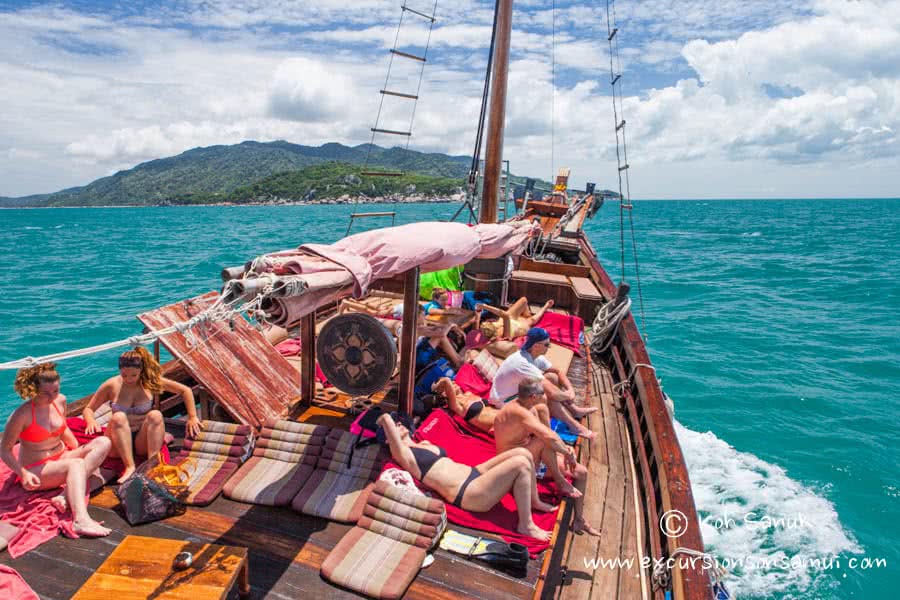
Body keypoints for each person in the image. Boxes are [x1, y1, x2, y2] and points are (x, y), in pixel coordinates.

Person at [377, 412, 556, 540]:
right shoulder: (404, 454)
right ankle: (526, 525)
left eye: (398, 422)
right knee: (521, 464)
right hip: (468, 492)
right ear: (388, 439)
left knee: (522, 453)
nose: (398, 424)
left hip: (474, 472)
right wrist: (385, 418)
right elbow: (392, 436)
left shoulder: (423, 442)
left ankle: (534, 500)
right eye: (394, 425)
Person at [1, 364, 112, 537]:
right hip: (36, 469)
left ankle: (64, 494)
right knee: (76, 464)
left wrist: (75, 445)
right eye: (46, 393)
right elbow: (5, 450)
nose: (52, 397)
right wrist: (23, 474)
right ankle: (80, 520)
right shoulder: (21, 415)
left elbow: (62, 427)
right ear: (32, 390)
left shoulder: (60, 400)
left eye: (55, 391)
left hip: (61, 456)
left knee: (103, 442)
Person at [493, 378, 600, 536]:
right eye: (542, 394)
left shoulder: (530, 407)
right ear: (532, 397)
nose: (545, 396)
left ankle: (579, 520)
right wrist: (566, 453)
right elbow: (546, 437)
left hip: (528, 453)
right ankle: (560, 481)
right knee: (575, 467)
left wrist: (562, 449)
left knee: (580, 470)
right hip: (513, 463)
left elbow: (546, 437)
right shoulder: (520, 413)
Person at [83, 347, 201, 483]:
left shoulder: (149, 382)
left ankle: (153, 465)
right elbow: (89, 409)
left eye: (133, 375)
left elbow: (185, 390)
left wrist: (192, 417)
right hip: (117, 442)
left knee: (156, 414)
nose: (129, 379)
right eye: (124, 375)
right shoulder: (111, 385)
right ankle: (129, 467)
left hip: (141, 440)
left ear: (141, 370)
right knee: (118, 417)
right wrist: (90, 421)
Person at [489, 328, 597, 438]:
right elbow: (553, 393)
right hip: (503, 401)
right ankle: (575, 427)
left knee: (551, 377)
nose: (549, 347)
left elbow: (558, 371)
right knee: (544, 395)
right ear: (536, 346)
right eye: (547, 345)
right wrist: (568, 395)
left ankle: (575, 410)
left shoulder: (533, 355)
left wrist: (571, 390)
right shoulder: (523, 363)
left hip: (513, 392)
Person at [432, 377, 499, 433]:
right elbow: (446, 381)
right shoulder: (455, 405)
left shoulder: (468, 393)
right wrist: (441, 383)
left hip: (500, 414)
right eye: (451, 384)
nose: (454, 383)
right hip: (496, 426)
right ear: (444, 393)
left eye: (453, 381)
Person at [476, 296, 555, 341]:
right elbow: (505, 315)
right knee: (532, 320)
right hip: (517, 326)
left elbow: (476, 331)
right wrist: (485, 306)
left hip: (508, 320)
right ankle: (546, 306)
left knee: (524, 300)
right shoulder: (505, 335)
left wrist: (478, 316)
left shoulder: (487, 330)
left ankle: (525, 314)